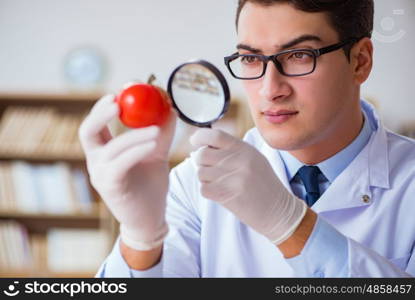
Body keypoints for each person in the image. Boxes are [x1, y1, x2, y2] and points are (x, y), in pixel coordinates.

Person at [79, 0, 415, 277]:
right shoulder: (192, 185)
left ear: (360, 61)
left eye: (299, 55)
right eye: (252, 59)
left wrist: (293, 226)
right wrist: (140, 241)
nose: (270, 90)